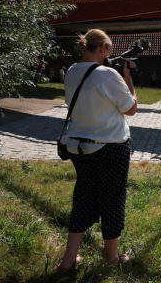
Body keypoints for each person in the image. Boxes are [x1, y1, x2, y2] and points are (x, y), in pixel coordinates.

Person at [57, 29, 137, 271]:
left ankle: (68, 260)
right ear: (101, 47)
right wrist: (128, 78)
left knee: (83, 198)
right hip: (110, 147)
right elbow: (130, 108)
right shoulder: (108, 75)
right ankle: (112, 259)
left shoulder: (71, 71)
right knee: (112, 201)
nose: (108, 55)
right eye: (108, 50)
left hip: (79, 147)